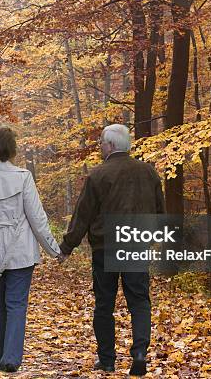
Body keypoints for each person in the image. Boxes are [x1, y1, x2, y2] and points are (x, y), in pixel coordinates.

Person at [58, 123, 166, 376]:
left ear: (111, 145)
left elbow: (83, 215)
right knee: (139, 301)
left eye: (101, 144)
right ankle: (139, 353)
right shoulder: (149, 173)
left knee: (104, 304)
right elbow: (160, 212)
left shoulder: (98, 175)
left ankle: (106, 360)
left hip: (106, 248)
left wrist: (67, 247)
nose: (99, 147)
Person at [0, 127, 62, 373]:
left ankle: (1, 358)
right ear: (12, 149)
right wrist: (54, 250)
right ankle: (11, 359)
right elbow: (37, 219)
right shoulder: (22, 177)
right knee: (16, 304)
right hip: (20, 253)